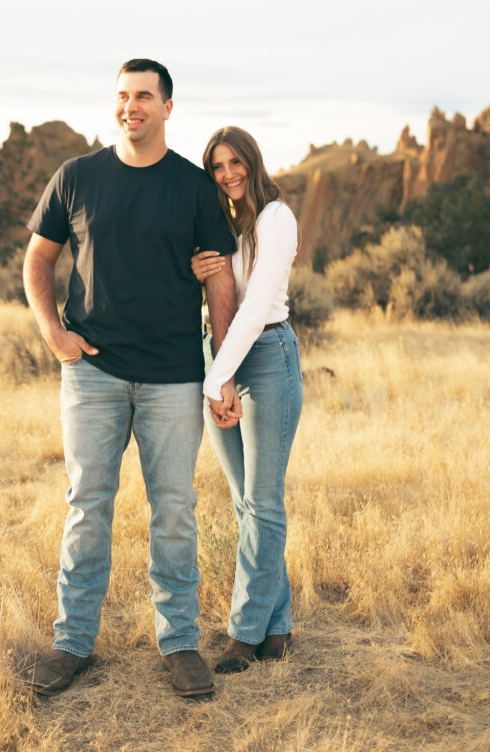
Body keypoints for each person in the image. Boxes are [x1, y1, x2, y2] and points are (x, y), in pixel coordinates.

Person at [22, 59, 240, 698]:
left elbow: (221, 277)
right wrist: (52, 332)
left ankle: (178, 644)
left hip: (173, 375)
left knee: (174, 510)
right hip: (93, 372)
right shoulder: (77, 177)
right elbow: (38, 258)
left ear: (167, 107)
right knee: (87, 506)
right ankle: (73, 644)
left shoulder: (194, 187)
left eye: (144, 96)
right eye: (122, 96)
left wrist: (220, 370)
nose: (130, 106)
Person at [191, 125, 303, 673]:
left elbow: (256, 306)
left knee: (263, 501)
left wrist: (218, 379)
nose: (228, 173)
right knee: (245, 504)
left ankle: (244, 632)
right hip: (222, 358)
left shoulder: (275, 219)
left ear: (253, 162)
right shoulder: (223, 224)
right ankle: (277, 626)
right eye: (218, 166)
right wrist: (195, 274)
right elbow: (216, 299)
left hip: (267, 357)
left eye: (236, 162)